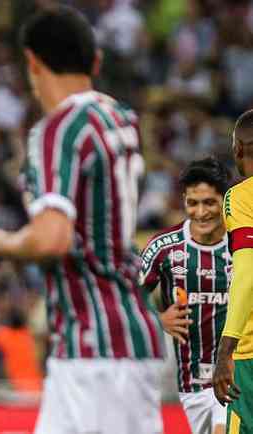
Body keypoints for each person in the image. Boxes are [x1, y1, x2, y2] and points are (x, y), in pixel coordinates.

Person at [0, 5, 164, 434]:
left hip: (93, 347)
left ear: (33, 63)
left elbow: (52, 237)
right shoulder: (121, 118)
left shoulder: (58, 128)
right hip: (133, 334)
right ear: (95, 62)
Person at [140, 157, 232, 434]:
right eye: (193, 203)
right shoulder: (164, 248)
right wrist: (158, 320)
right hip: (189, 383)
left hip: (236, 375)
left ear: (224, 201)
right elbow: (126, 300)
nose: (201, 212)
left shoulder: (243, 245)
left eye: (209, 203)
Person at [213, 109, 253, 432]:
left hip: (250, 358)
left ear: (238, 149)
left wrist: (227, 347)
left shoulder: (240, 197)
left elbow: (248, 271)